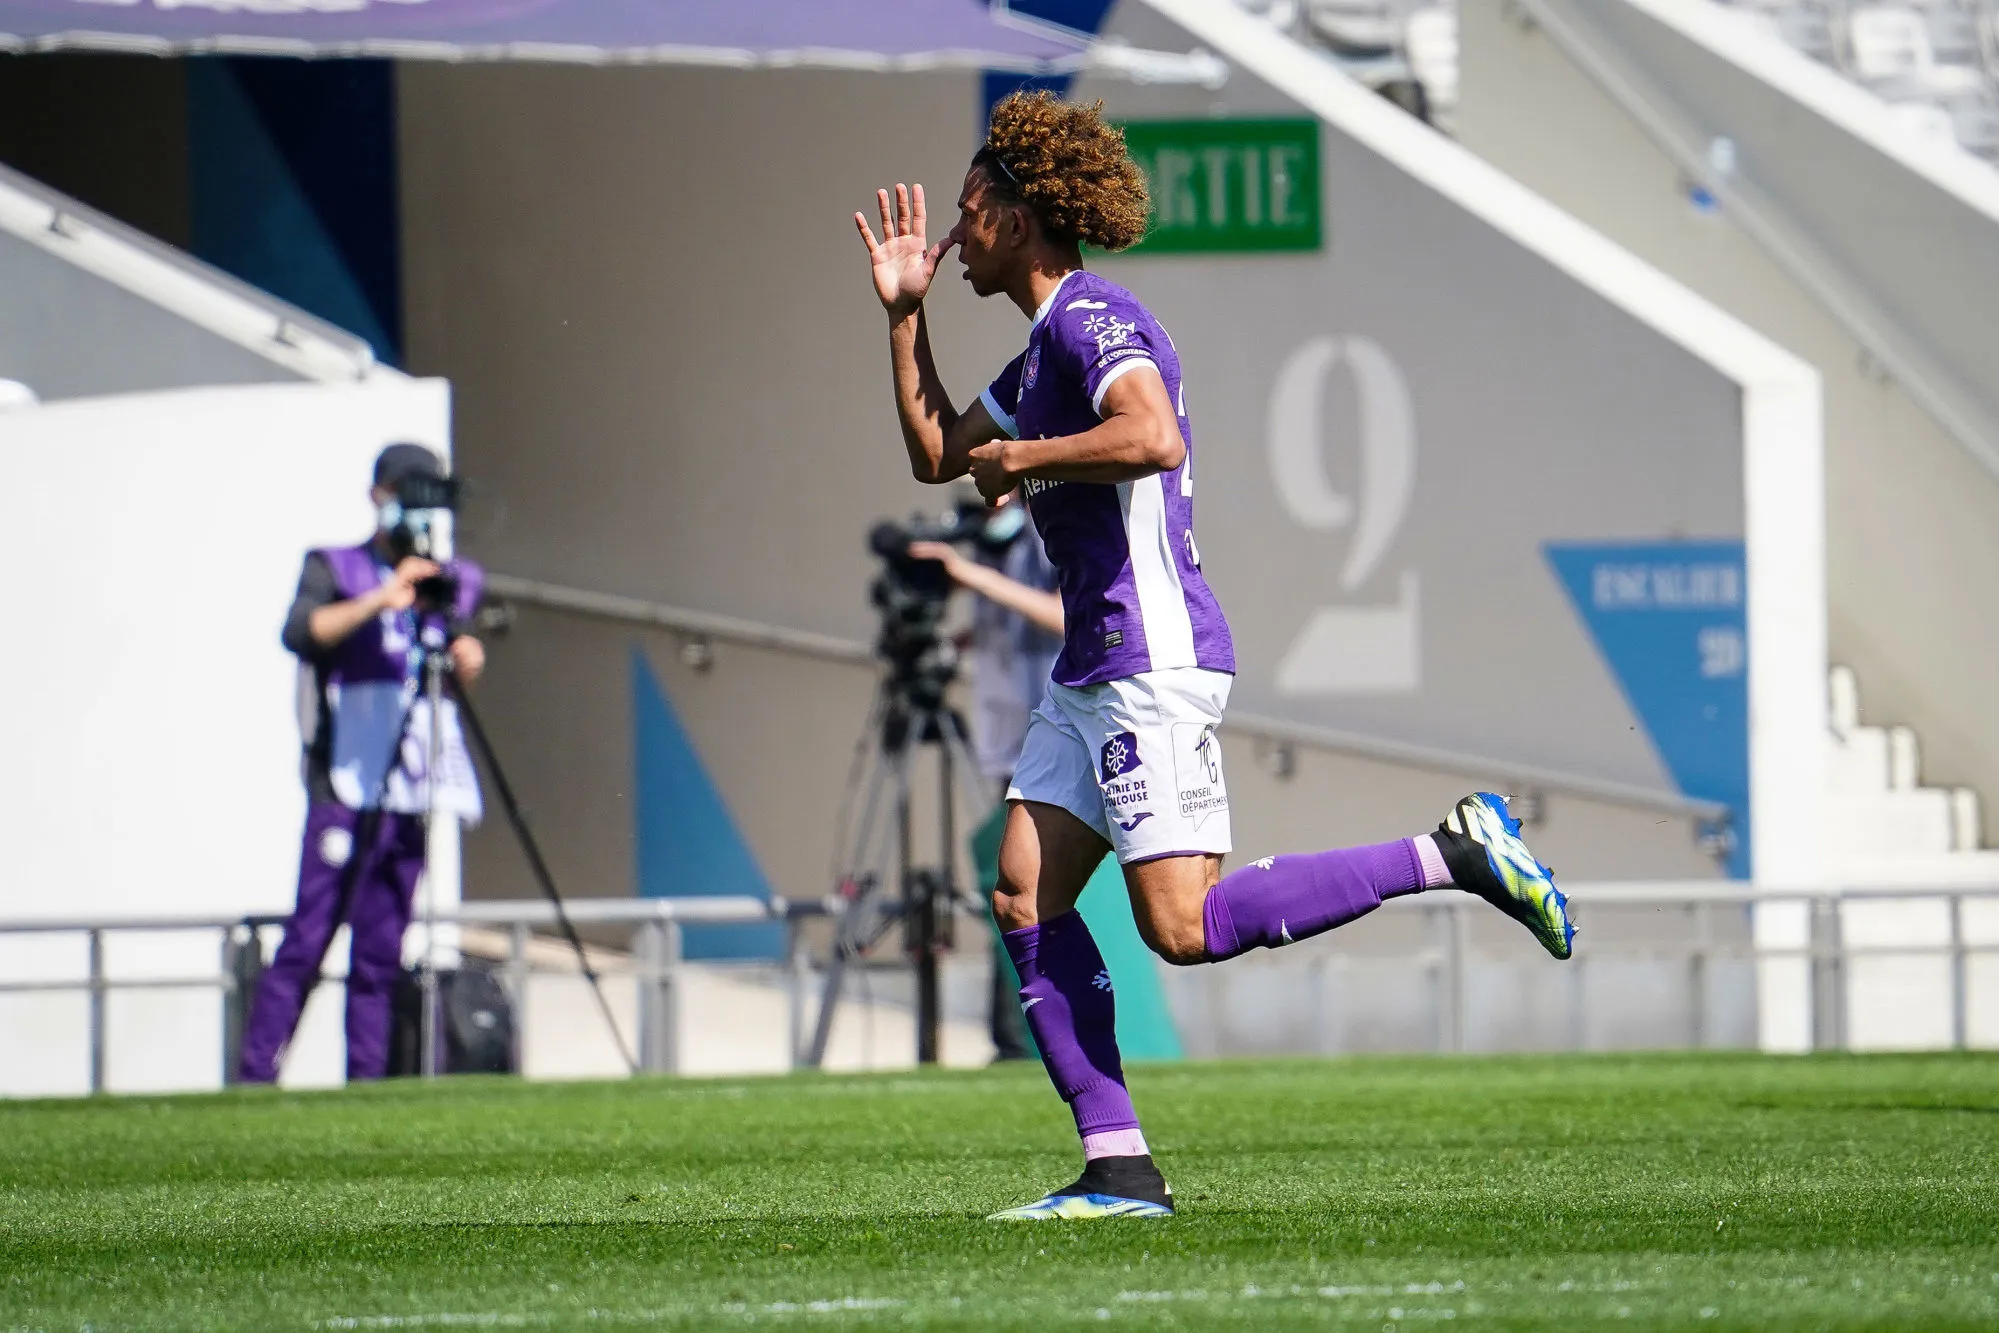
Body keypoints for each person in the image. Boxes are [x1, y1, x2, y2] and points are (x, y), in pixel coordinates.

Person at [853, 92, 1575, 1220]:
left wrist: (1028, 453)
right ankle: (1119, 1169)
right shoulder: (1043, 345)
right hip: (1090, 671)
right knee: (1022, 893)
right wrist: (902, 317)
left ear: (1020, 210)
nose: (951, 235)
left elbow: (1153, 435)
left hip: (1150, 657)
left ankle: (1454, 852)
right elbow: (939, 453)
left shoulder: (1095, 319)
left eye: (967, 210)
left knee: (1179, 928)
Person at [237, 443, 486, 1085]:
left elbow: (441, 677)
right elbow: (302, 632)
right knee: (309, 940)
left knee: (381, 952)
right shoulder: (336, 566)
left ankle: (367, 1084)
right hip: (344, 786)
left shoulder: (454, 579)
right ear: (380, 493)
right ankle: (254, 1079)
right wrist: (383, 597)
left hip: (412, 791)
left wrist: (465, 662)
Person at [909, 514, 1063, 1062]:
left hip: (1054, 741)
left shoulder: (1046, 537)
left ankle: (1027, 1032)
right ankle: (1015, 1030)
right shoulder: (987, 548)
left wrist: (972, 577)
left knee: (1031, 888)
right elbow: (1009, 624)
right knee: (1012, 886)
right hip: (1007, 746)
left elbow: (1069, 616)